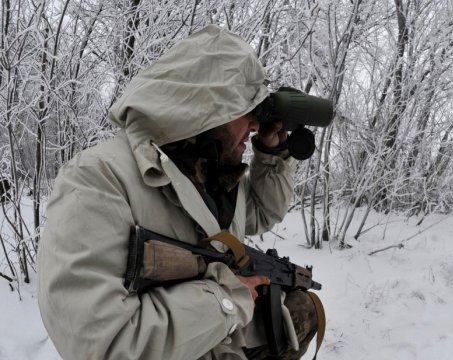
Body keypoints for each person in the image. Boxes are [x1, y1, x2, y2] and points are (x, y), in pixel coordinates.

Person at [37, 25, 318, 359]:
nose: (255, 126)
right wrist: (227, 301)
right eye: (247, 111)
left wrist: (272, 156)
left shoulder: (212, 173)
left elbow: (260, 213)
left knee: (305, 310)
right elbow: (102, 346)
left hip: (222, 343)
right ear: (211, 106)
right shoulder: (97, 178)